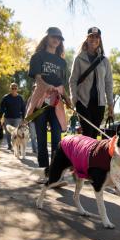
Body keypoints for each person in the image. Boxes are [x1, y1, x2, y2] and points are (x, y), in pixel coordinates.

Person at [25, 27, 69, 168]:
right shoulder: (38, 56)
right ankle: (44, 169)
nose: (56, 39)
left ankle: (55, 172)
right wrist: (47, 86)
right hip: (40, 101)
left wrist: (68, 100)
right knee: (42, 138)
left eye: (59, 38)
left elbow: (62, 85)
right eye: (53, 37)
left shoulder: (62, 63)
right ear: (47, 38)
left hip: (56, 102)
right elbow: (38, 79)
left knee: (57, 138)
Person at [69, 27, 113, 138]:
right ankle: (84, 155)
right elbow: (73, 80)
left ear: (100, 40)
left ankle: (89, 155)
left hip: (99, 104)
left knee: (94, 135)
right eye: (91, 36)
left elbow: (108, 83)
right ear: (87, 39)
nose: (94, 39)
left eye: (97, 37)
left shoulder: (104, 61)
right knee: (87, 132)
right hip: (82, 102)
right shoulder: (79, 58)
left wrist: (111, 104)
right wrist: (74, 99)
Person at [0, 83, 25, 150]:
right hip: (7, 118)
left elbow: (23, 108)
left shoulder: (20, 98)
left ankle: (17, 145)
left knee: (16, 132)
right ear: (10, 89)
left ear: (17, 89)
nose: (14, 90)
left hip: (17, 118)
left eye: (15, 88)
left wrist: (24, 118)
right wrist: (0, 117)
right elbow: (2, 108)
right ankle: (9, 145)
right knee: (8, 133)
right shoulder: (5, 98)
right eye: (12, 88)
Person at [25, 84, 38, 153]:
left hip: (40, 119)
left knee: (39, 135)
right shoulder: (30, 98)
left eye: (36, 88)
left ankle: (39, 148)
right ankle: (35, 149)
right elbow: (27, 109)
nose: (35, 90)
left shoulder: (41, 97)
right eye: (34, 89)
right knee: (33, 135)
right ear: (32, 90)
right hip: (32, 120)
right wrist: (26, 119)